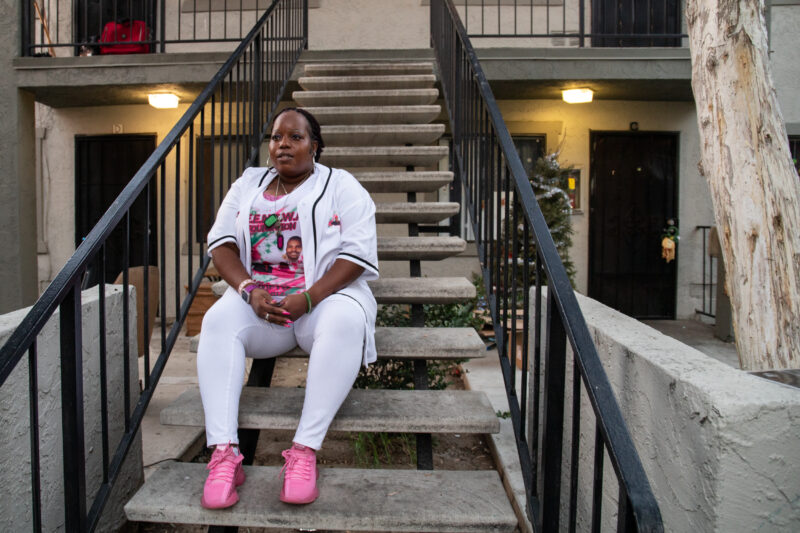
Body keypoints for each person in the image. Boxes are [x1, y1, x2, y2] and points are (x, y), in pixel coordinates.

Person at [196, 107, 378, 508]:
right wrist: (247, 290)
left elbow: (357, 253)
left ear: (315, 146)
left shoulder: (341, 186)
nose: (283, 144)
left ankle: (304, 452)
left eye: (295, 137)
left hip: (322, 303)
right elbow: (221, 242)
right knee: (217, 321)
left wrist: (309, 298)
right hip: (262, 309)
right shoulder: (247, 184)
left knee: (347, 318)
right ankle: (224, 455)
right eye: (277, 137)